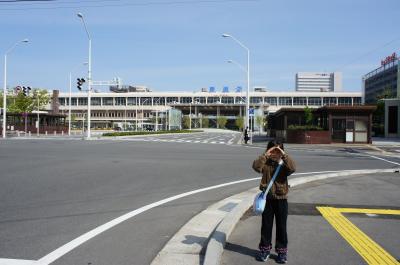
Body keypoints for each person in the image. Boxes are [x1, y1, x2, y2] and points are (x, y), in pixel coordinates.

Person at [252, 140, 296, 263]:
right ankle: (265, 250)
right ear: (269, 149)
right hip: (267, 199)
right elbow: (256, 167)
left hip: (281, 199)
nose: (275, 152)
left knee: (281, 227)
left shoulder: (284, 163)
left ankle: (282, 252)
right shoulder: (265, 162)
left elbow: (293, 168)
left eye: (278, 149)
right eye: (273, 149)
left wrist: (284, 155)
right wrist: (266, 155)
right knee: (266, 226)